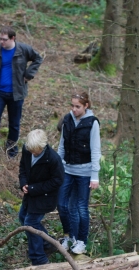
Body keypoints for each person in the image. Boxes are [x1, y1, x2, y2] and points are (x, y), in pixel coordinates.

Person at [0, 26, 43, 159]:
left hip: (16, 93)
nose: (1, 42)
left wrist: (29, 74)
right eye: (0, 39)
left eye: (4, 39)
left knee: (14, 123)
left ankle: (11, 150)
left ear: (13, 38)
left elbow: (38, 58)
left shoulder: (23, 49)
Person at [57, 92, 101, 255]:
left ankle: (81, 240)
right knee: (62, 204)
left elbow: (96, 150)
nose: (74, 109)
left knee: (80, 207)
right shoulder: (67, 119)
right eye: (72, 106)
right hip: (67, 169)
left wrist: (94, 175)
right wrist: (57, 165)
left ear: (86, 106)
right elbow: (62, 145)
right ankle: (69, 236)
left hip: (84, 172)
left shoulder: (92, 123)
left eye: (78, 106)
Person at [18, 129, 64, 266]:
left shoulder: (53, 159)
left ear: (43, 146)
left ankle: (39, 259)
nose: (32, 153)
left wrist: (33, 188)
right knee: (22, 217)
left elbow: (57, 181)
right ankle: (47, 242)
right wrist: (23, 183)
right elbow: (23, 168)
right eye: (30, 150)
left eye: (35, 151)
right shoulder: (27, 150)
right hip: (30, 195)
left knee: (30, 223)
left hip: (44, 197)